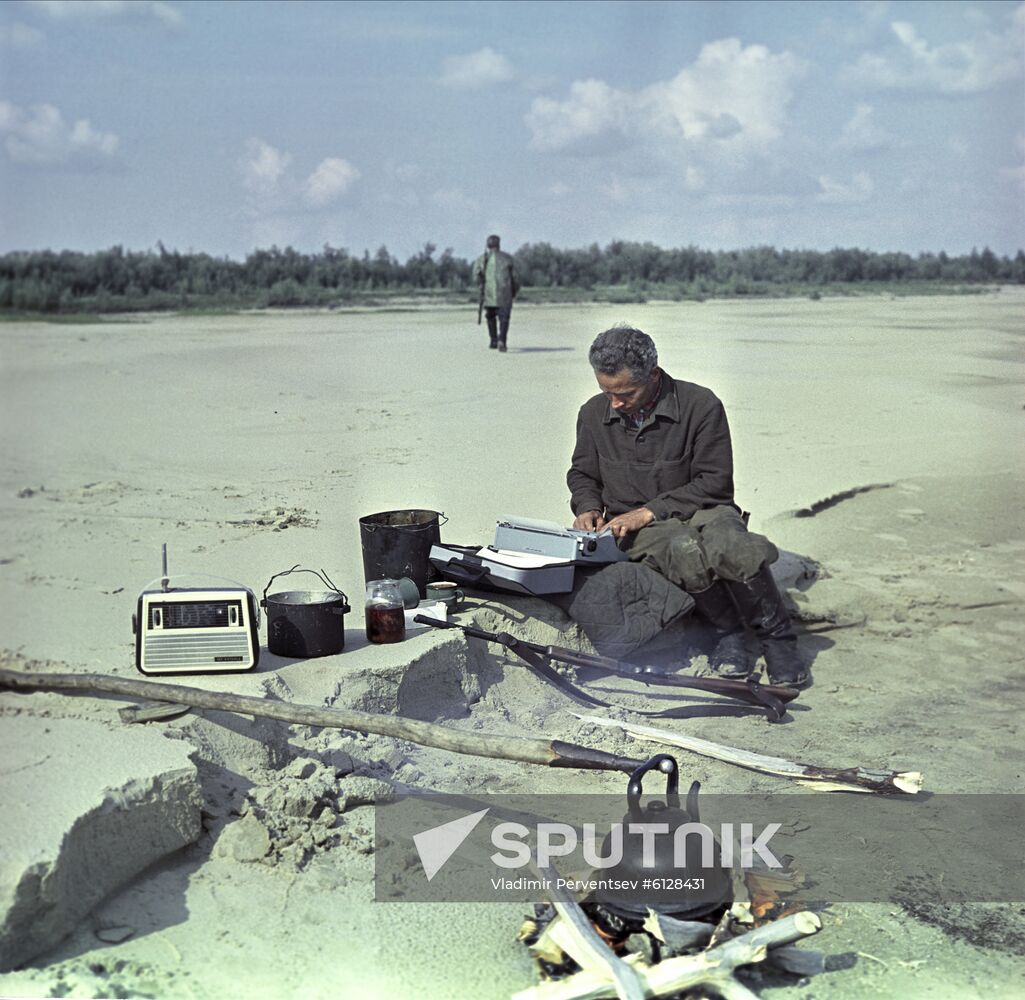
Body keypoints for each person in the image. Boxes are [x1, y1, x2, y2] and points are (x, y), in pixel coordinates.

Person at [566, 324, 809, 688]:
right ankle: (726, 634)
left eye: (625, 393)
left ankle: (778, 640)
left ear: (654, 376)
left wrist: (650, 510)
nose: (614, 403)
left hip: (703, 508)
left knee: (733, 545)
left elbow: (715, 482)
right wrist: (586, 506)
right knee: (683, 547)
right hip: (637, 527)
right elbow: (582, 474)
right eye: (606, 391)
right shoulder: (592, 413)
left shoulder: (701, 404)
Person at [473, 234, 520, 352]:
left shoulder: (482, 259)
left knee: (490, 317)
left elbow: (476, 276)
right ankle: (502, 340)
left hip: (488, 294)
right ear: (499, 244)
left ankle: (493, 340)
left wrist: (481, 287)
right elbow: (516, 279)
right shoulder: (507, 258)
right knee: (504, 318)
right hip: (505, 294)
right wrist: (513, 292)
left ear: (488, 245)